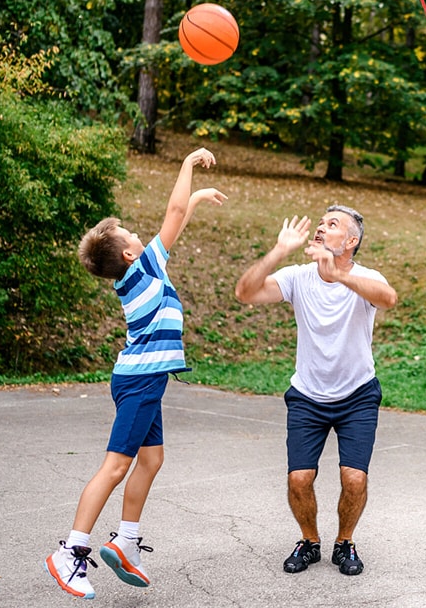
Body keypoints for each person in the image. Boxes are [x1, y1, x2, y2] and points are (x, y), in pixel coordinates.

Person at [45, 148, 227, 599]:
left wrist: (199, 196)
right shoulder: (144, 267)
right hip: (140, 380)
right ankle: (71, 551)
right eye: (132, 233)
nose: (141, 235)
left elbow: (177, 221)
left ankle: (125, 541)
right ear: (130, 253)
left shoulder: (142, 269)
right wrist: (188, 164)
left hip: (143, 379)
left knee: (150, 459)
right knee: (116, 466)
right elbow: (174, 212)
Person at [235, 205, 397, 576]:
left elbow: (388, 298)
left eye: (333, 225)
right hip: (308, 396)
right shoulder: (298, 276)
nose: (322, 228)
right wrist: (278, 251)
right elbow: (245, 293)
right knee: (299, 478)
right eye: (321, 223)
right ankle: (309, 542)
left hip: (358, 396)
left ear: (351, 241)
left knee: (354, 478)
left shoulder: (367, 277)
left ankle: (345, 543)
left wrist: (339, 277)